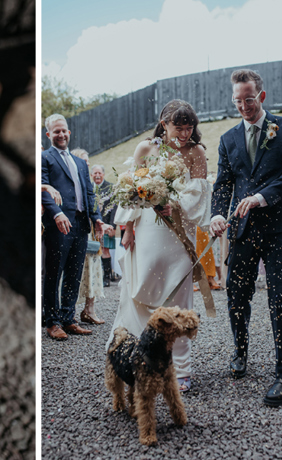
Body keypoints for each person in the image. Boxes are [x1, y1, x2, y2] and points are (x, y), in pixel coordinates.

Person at [209, 69, 282, 407]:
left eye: (249, 99)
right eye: (238, 101)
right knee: (236, 296)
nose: (244, 106)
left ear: (261, 97)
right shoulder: (228, 138)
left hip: (279, 229)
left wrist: (261, 197)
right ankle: (240, 350)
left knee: (281, 299)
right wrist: (218, 213)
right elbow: (223, 183)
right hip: (242, 231)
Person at [109, 99, 210, 393]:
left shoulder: (197, 152)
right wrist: (127, 229)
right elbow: (130, 189)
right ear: (164, 124)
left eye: (189, 127)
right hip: (148, 231)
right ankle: (144, 360)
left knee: (178, 297)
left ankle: (181, 369)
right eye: (179, 127)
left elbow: (200, 194)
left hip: (179, 233)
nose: (184, 133)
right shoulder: (145, 149)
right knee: (144, 288)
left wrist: (175, 204)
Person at [41, 114, 104, 340]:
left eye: (64, 130)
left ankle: (68, 319)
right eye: (56, 131)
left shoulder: (80, 163)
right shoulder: (44, 158)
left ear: (69, 132)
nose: (61, 134)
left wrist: (96, 218)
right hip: (59, 224)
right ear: (49, 134)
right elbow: (43, 189)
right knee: (54, 273)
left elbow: (89, 193)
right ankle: (53, 322)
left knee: (74, 273)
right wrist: (56, 213)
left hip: (80, 223)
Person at [72, 149, 106, 325]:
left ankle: (89, 309)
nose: (87, 165)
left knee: (93, 269)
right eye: (84, 161)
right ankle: (71, 312)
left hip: (92, 232)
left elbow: (93, 204)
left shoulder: (89, 184)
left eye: (88, 162)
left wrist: (98, 220)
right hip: (77, 230)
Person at [91, 164, 119, 287]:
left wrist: (112, 225)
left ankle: (106, 277)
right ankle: (93, 277)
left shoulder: (111, 187)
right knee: (90, 250)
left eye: (99, 173)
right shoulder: (88, 188)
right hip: (90, 226)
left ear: (103, 174)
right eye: (95, 173)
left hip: (106, 224)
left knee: (105, 250)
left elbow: (114, 208)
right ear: (91, 175)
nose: (97, 175)